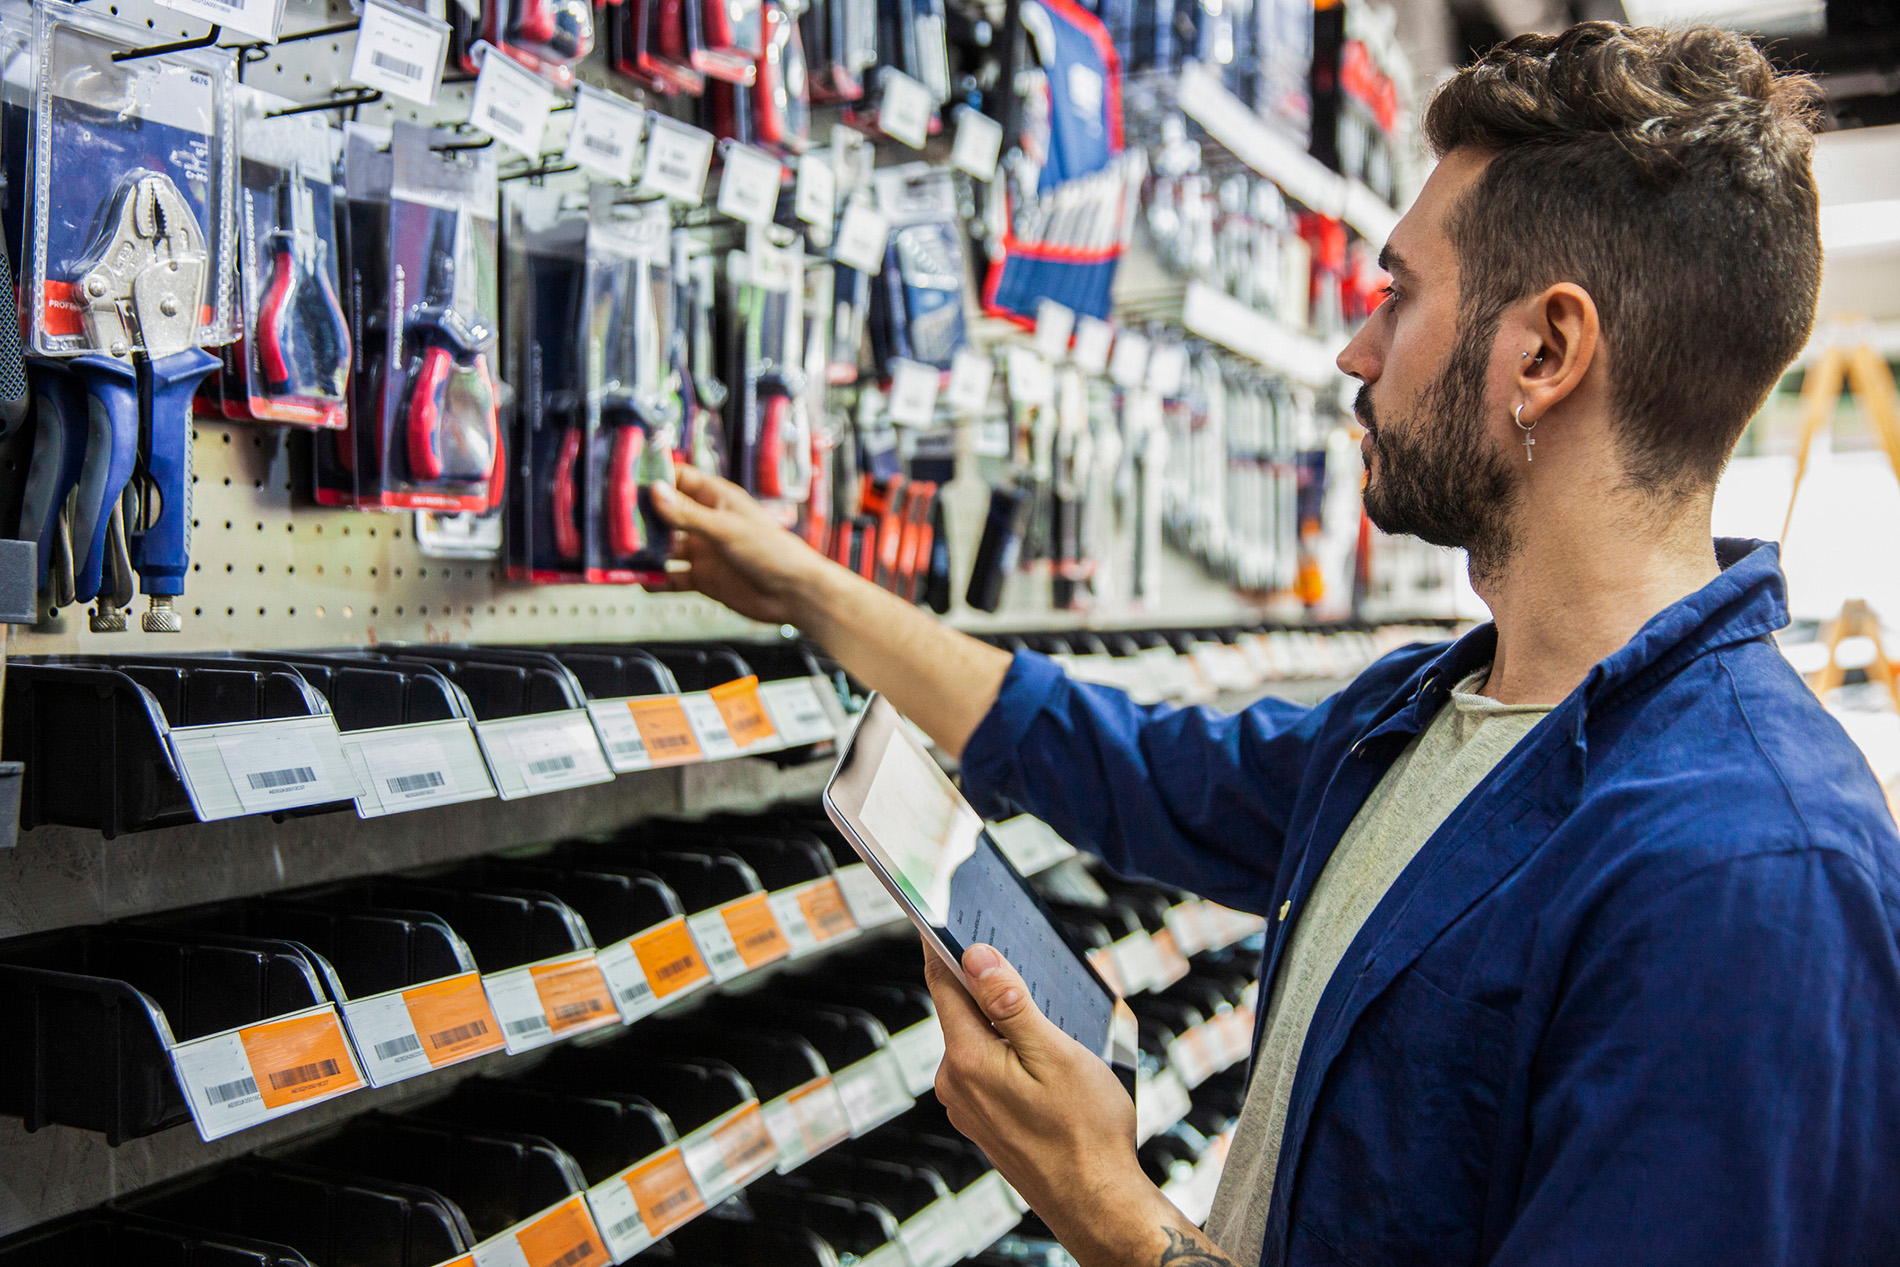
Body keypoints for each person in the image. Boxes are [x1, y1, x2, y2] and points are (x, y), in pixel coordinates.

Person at [650, 21, 1900, 1266]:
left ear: (1545, 352)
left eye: (1397, 295)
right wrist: (811, 590)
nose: (1355, 351)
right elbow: (1120, 760)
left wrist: (1109, 1209)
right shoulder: (1427, 715)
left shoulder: (1750, 873)